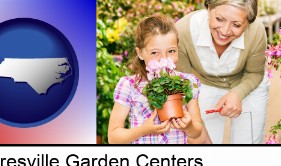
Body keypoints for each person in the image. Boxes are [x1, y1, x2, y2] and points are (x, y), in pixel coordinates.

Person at [176, 0, 269, 144]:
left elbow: (254, 73)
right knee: (204, 140)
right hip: (201, 85)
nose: (225, 31)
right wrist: (196, 122)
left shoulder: (256, 31)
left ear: (247, 23)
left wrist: (237, 93)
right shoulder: (183, 31)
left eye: (236, 25)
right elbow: (184, 81)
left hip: (248, 83)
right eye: (219, 19)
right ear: (209, 9)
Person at [108, 15, 208, 144]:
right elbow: (113, 137)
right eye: (155, 52)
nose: (164, 59)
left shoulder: (187, 82)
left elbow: (197, 130)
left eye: (171, 51)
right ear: (140, 53)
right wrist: (144, 130)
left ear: (178, 48)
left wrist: (188, 126)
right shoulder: (129, 85)